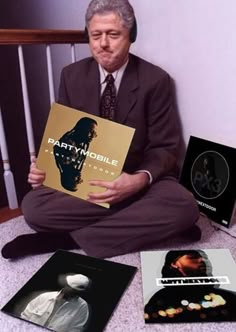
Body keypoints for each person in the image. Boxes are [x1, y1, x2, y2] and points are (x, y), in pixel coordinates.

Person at [1, 0, 200, 260]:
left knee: (184, 206)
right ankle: (146, 226)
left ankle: (68, 239)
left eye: (113, 34)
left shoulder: (156, 80)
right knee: (33, 207)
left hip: (138, 179)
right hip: (90, 182)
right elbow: (64, 138)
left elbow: (165, 147)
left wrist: (136, 181)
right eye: (96, 35)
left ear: (131, 36)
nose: (103, 43)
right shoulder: (71, 76)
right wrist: (45, 169)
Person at [144, 250, 236, 323]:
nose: (201, 261)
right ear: (174, 264)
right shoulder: (161, 298)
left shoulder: (226, 297)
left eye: (202, 258)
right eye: (192, 258)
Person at [21, 274, 91, 332]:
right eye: (73, 290)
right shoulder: (45, 297)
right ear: (66, 285)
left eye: (78, 292)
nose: (75, 294)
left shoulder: (82, 306)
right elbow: (25, 316)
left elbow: (76, 329)